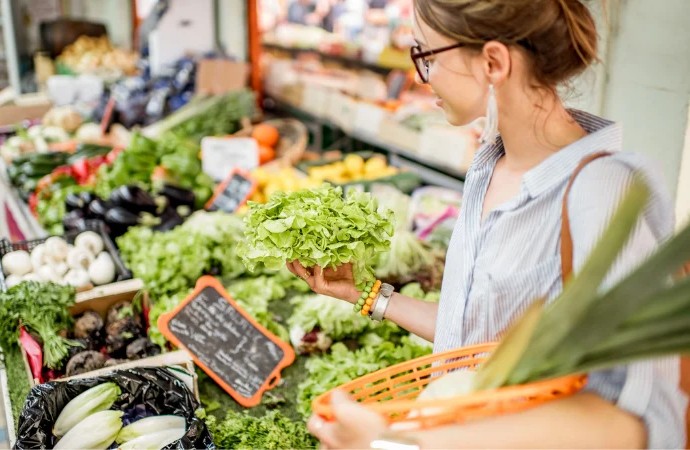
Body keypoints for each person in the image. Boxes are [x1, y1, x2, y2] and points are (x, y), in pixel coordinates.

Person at [286, 0, 688, 448]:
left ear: (494, 61)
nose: (421, 76)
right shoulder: (489, 166)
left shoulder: (606, 192)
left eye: (427, 56)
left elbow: (635, 422)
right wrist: (367, 294)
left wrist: (395, 444)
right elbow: (474, 341)